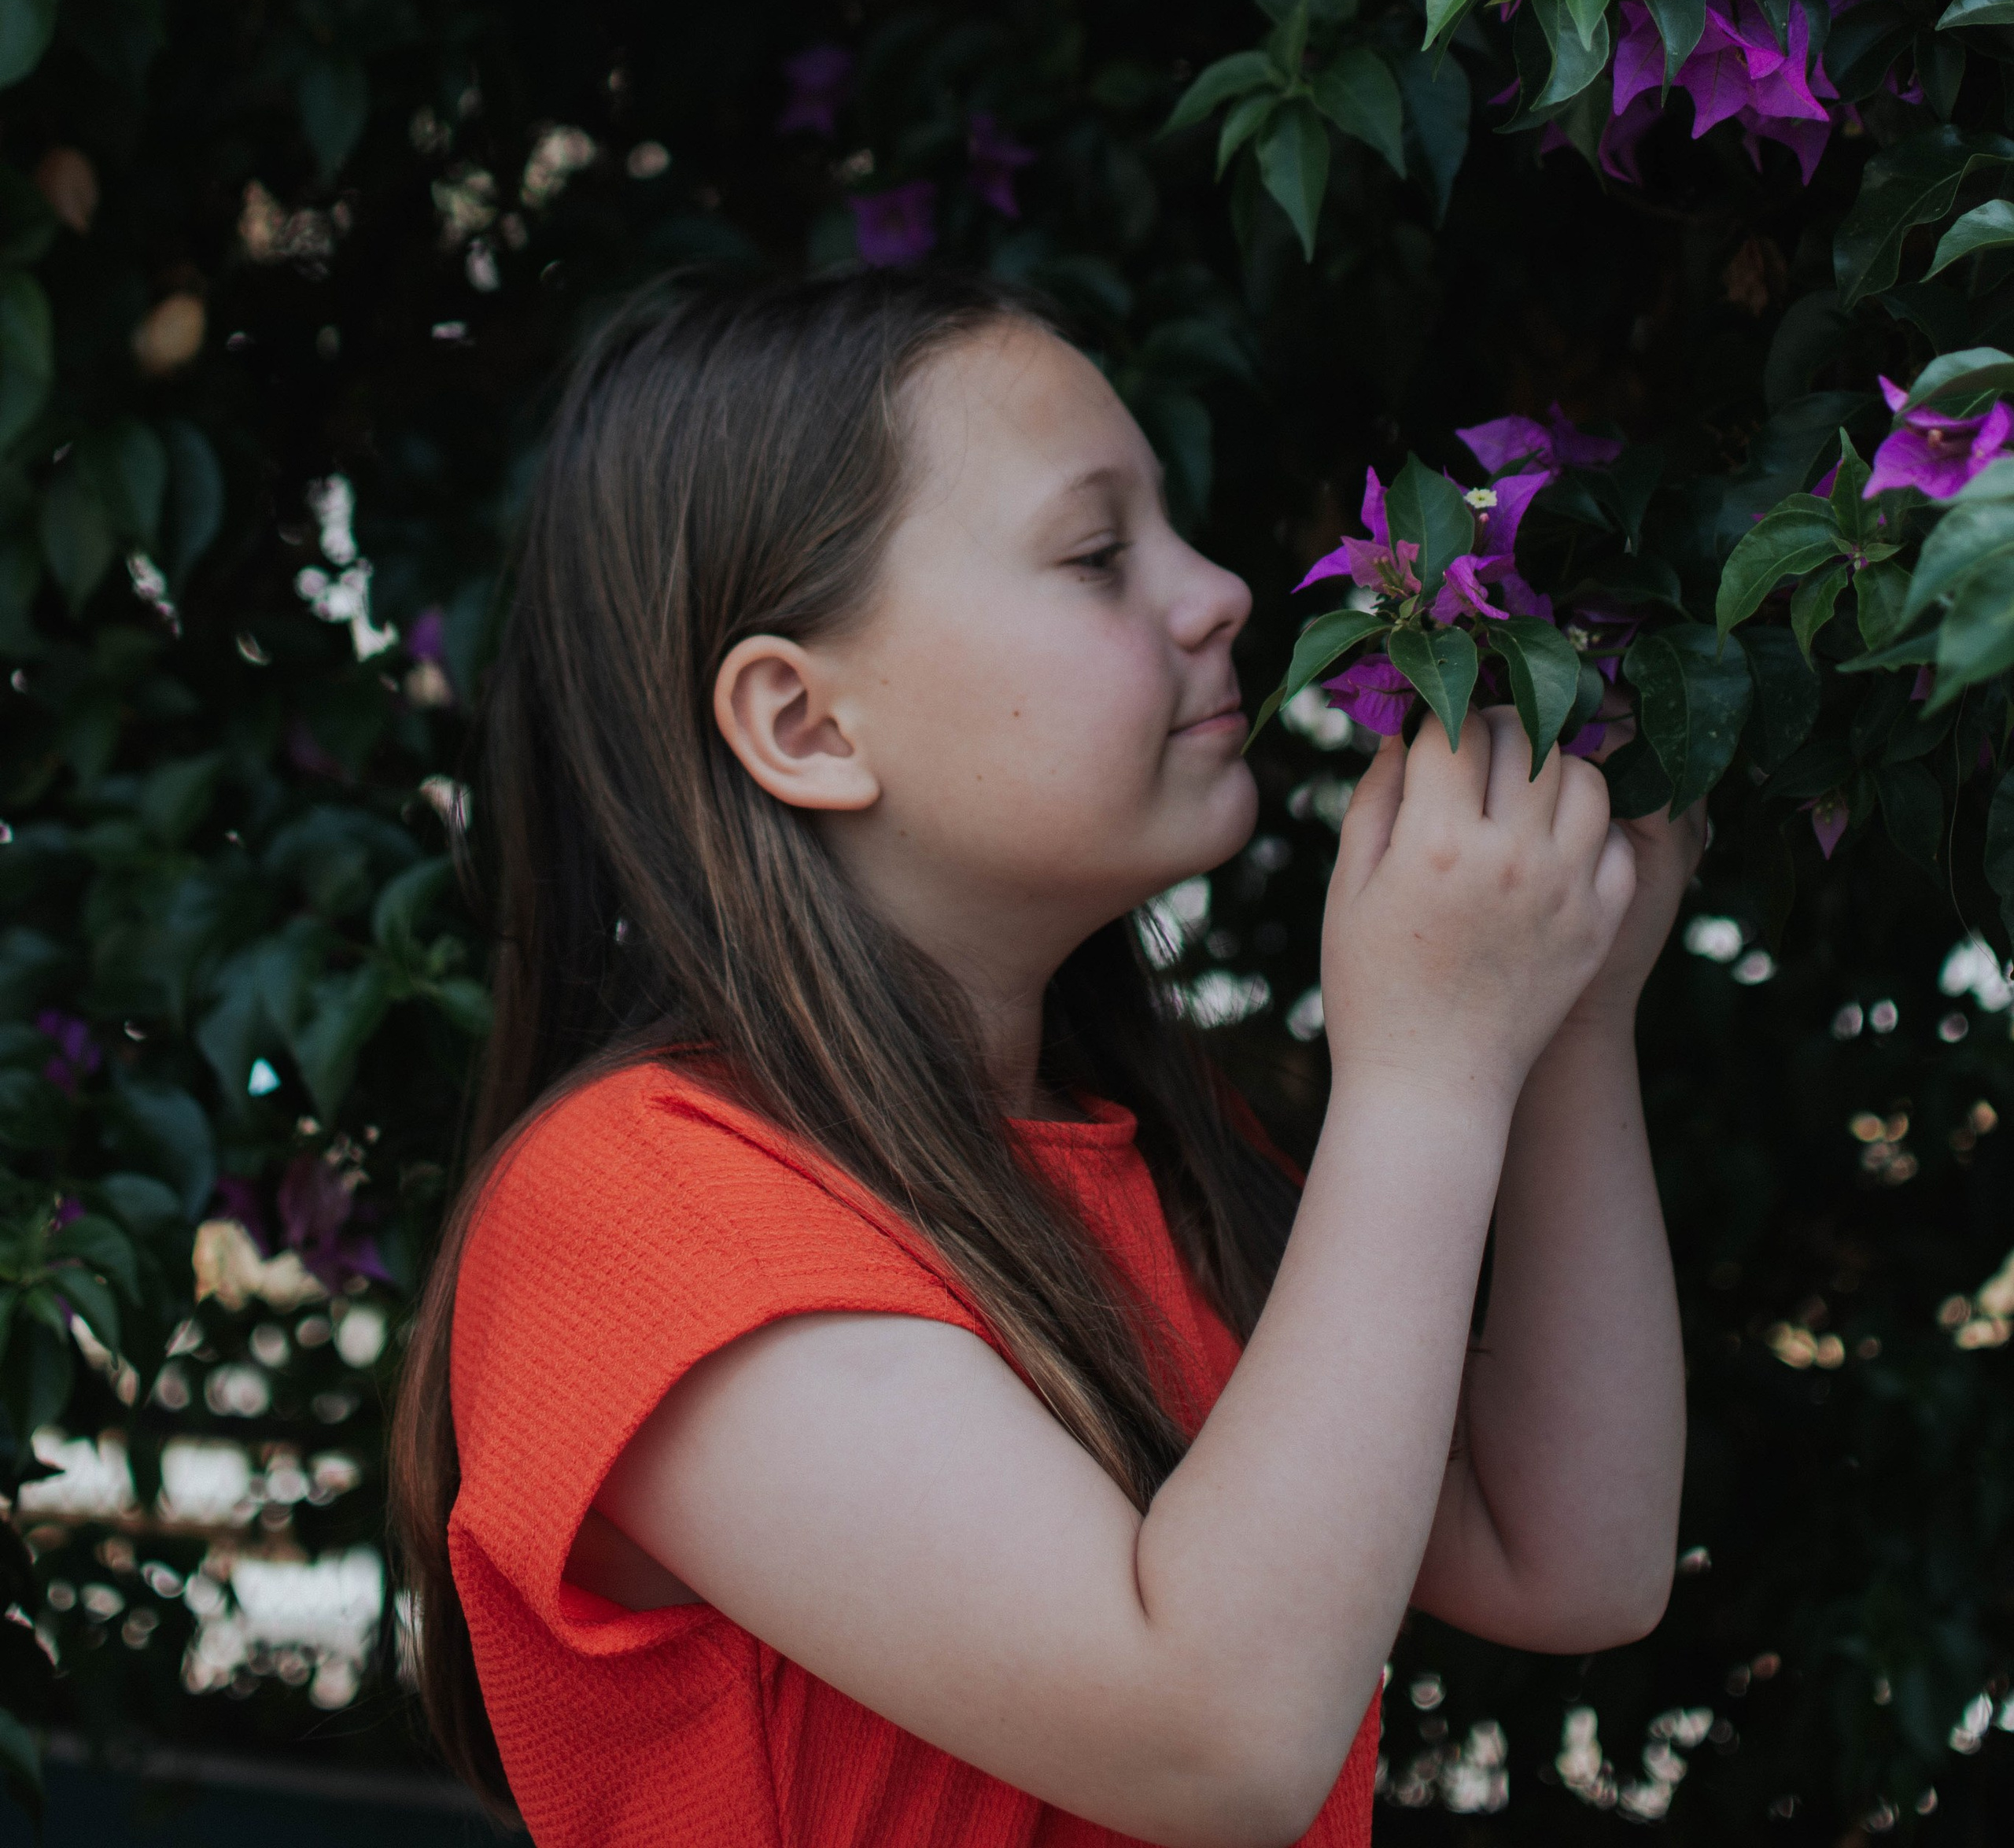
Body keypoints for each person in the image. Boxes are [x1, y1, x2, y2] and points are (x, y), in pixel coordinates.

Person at [390, 267, 1697, 1848]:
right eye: (1094, 555)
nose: (1218, 591)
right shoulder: (638, 1207)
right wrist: (1423, 1076)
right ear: (803, 727)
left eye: (1171, 527)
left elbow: (1572, 1555)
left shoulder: (1140, 1151)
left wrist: (1567, 1016)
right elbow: (1215, 1737)